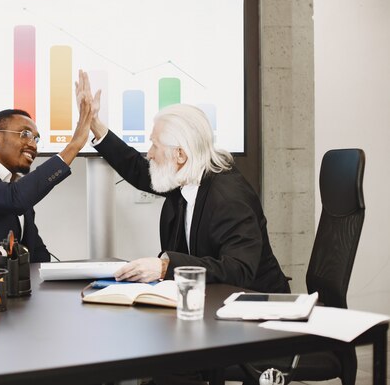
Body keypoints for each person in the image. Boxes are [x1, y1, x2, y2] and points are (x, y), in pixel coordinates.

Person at [76, 71, 290, 293]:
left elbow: (239, 270)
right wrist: (93, 123)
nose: (148, 154)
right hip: (210, 301)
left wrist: (164, 268)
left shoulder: (229, 197)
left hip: (256, 308)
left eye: (155, 145)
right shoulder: (185, 175)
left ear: (180, 154)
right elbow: (137, 169)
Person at [0, 102, 93, 268]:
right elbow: (14, 199)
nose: (33, 145)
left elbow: (37, 254)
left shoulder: (15, 186)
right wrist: (73, 146)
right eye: (25, 134)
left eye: (36, 139)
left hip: (10, 289)